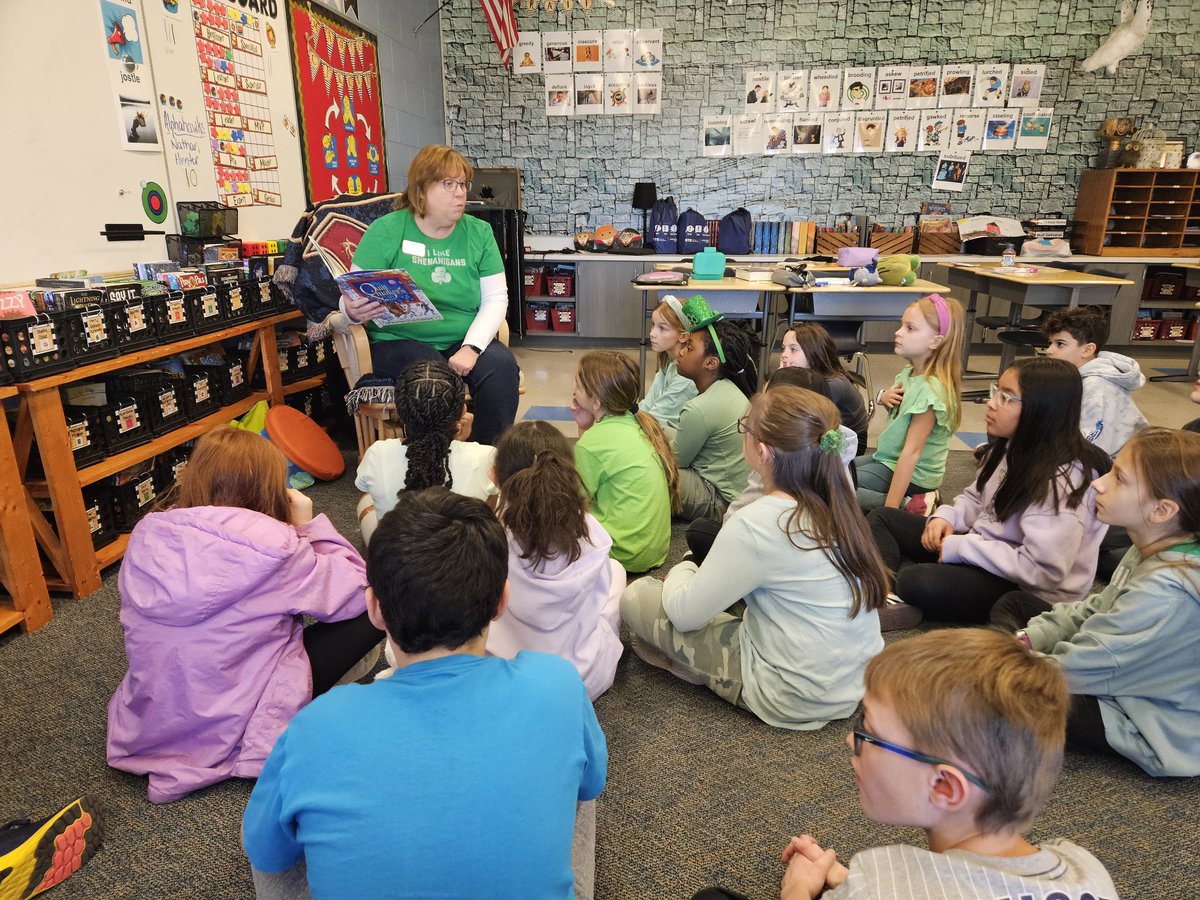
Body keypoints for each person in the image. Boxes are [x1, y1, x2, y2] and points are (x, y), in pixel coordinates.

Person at [242, 488, 607, 899]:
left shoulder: (314, 725)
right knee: (571, 760)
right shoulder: (557, 685)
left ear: (375, 609)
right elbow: (590, 786)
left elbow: (267, 854)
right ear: (501, 601)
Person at [108, 427, 374, 805]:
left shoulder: (148, 532)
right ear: (270, 486)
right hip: (233, 718)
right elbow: (356, 585)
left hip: (155, 715)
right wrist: (308, 526)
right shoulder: (279, 547)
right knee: (375, 605)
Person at [770, 629, 1117, 900]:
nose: (851, 740)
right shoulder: (1085, 868)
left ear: (944, 787)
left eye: (869, 733)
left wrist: (798, 889)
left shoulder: (883, 877)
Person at [621, 386, 887, 730]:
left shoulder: (760, 521)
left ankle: (708, 672)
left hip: (790, 695)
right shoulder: (838, 500)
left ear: (762, 451)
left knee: (636, 597)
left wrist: (685, 566)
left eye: (745, 428)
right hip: (854, 682)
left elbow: (685, 614)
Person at [991, 427, 1200, 777]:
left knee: (1010, 691)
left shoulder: (1163, 593)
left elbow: (1079, 667)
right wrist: (1028, 641)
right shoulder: (1156, 543)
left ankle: (995, 656)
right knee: (1016, 605)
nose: (1099, 483)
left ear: (1162, 510)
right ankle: (1002, 652)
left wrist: (1007, 664)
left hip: (1151, 722)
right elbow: (1098, 608)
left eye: (1119, 478)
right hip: (1120, 673)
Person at [869, 357, 1110, 625]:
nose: (991, 402)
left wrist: (963, 548)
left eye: (1006, 397)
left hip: (1024, 586)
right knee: (883, 518)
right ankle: (887, 595)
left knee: (918, 581)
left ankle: (901, 585)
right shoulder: (1009, 445)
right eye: (997, 392)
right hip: (982, 550)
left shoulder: (1062, 480)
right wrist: (947, 517)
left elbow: (1042, 571)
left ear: (1041, 409)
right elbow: (976, 496)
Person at [343, 144, 519, 445]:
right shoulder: (387, 230)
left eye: (463, 184)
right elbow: (351, 294)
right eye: (448, 184)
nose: (460, 192)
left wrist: (472, 348)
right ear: (421, 189)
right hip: (398, 340)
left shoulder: (479, 233)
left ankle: (487, 461)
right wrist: (352, 312)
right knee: (433, 375)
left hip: (462, 338)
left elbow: (495, 299)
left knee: (501, 368)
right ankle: (434, 462)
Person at [486, 421, 626, 701]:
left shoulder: (489, 537)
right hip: (581, 680)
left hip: (504, 679)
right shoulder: (590, 532)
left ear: (494, 478)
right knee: (616, 570)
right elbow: (596, 600)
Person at [684, 366, 858, 563]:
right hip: (823, 559)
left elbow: (737, 525)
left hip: (779, 556)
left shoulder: (778, 462)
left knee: (700, 535)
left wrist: (686, 566)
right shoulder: (831, 446)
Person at [354, 360, 496, 542]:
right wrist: (460, 441)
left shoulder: (377, 453)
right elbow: (489, 515)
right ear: (462, 411)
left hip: (399, 560)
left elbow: (366, 486)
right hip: (464, 561)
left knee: (365, 502)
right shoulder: (486, 455)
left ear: (402, 412)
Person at [855, 294, 963, 513]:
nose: (898, 332)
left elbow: (911, 454)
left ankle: (913, 505)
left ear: (935, 341)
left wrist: (890, 511)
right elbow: (902, 409)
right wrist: (884, 397)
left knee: (829, 488)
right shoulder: (910, 372)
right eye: (901, 326)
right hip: (887, 459)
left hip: (912, 473)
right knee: (833, 471)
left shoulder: (932, 393)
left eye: (910, 328)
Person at [572, 350, 679, 572]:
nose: (573, 392)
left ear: (596, 402)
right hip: (655, 551)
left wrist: (584, 431)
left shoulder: (592, 443)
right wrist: (584, 427)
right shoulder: (637, 422)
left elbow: (573, 503)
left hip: (621, 555)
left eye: (578, 387)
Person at [673, 301, 759, 521]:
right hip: (740, 493)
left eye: (689, 347)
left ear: (711, 363)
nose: (680, 351)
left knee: (651, 470)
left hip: (721, 500)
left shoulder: (700, 408)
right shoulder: (727, 387)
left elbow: (675, 461)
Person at [1042, 304, 1148, 457]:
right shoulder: (1075, 376)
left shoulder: (1097, 387)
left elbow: (1092, 448)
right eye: (1050, 343)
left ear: (1087, 350)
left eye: (1060, 344)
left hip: (1114, 462)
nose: (1049, 351)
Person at [778, 323, 870, 452]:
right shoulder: (807, 376)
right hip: (826, 431)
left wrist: (779, 382)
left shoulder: (831, 384)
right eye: (783, 348)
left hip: (849, 442)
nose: (784, 355)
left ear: (813, 352)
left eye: (793, 349)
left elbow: (800, 421)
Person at [641, 296, 698, 432]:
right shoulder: (668, 360)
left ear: (683, 336)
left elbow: (657, 417)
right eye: (653, 325)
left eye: (662, 328)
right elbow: (649, 403)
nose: (652, 333)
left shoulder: (686, 376)